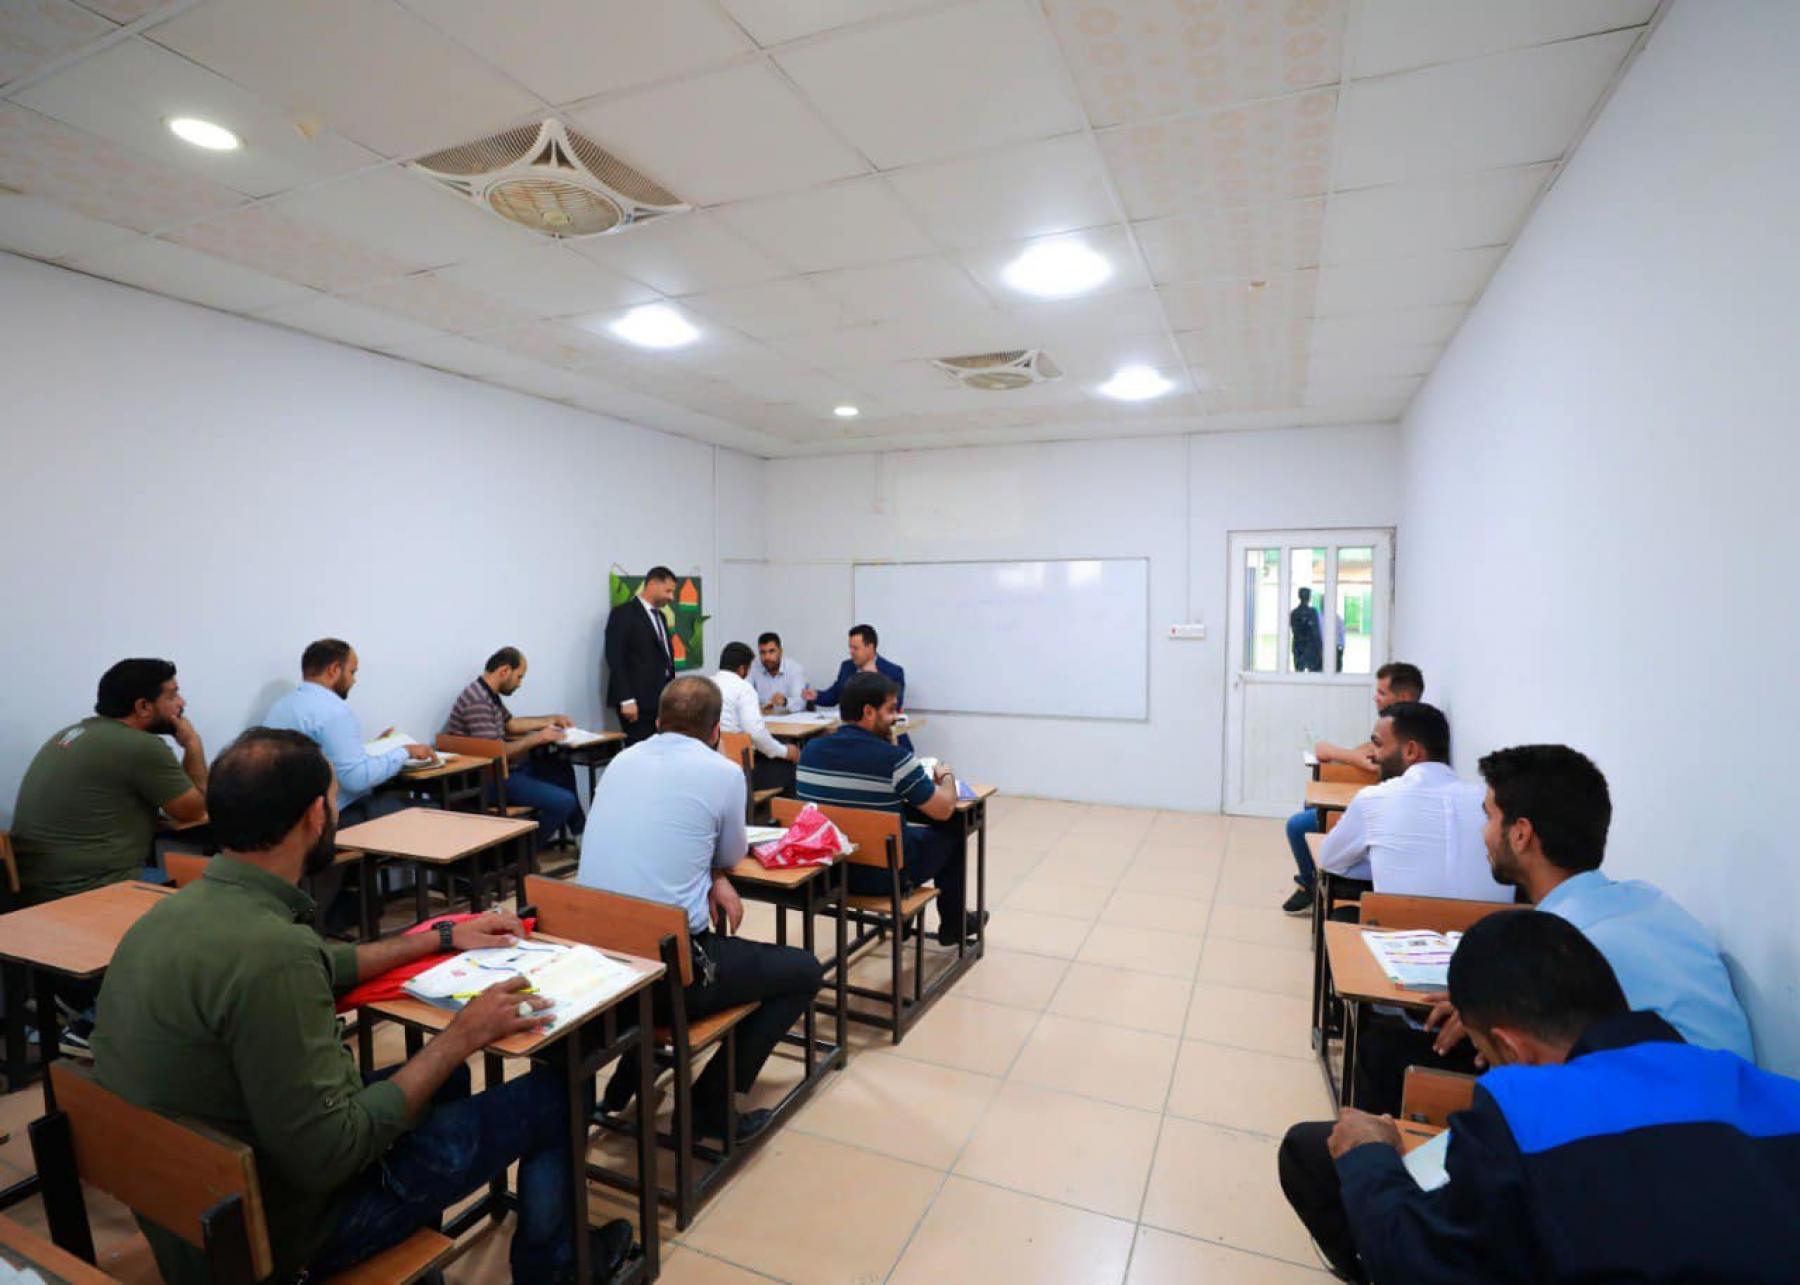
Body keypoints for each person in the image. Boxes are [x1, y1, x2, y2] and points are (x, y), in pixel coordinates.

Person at [92, 729, 634, 1284]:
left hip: (201, 1211)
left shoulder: (177, 914)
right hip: (288, 1237)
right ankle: (558, 1271)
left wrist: (443, 936)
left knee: (444, 1082)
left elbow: (327, 964)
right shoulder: (275, 955)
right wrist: (462, 1035)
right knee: (554, 1093)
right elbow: (334, 1151)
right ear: (315, 817)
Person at [1279, 910, 1800, 1284]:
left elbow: (1418, 1261)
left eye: (1485, 1052)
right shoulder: (1770, 1089)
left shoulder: (1523, 1109)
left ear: (1511, 1048)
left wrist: (1367, 1152)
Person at [1350, 740, 1754, 1117]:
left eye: (1489, 817)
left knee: (1383, 1053)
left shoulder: (1561, 946)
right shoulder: (1645, 900)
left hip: (1661, 1121)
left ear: (1521, 834)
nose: (1483, 833)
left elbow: (1536, 1055)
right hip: (1740, 1107)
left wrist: (1483, 1017)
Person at [577, 676, 823, 1143]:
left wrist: (709, 875)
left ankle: (633, 1074)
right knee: (803, 971)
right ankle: (708, 1110)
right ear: (715, 731)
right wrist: (717, 873)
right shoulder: (723, 772)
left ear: (657, 721)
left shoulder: (622, 760)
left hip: (597, 964)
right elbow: (731, 854)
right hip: (666, 974)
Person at [795, 672, 983, 945]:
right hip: (882, 877)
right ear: (868, 712)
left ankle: (905, 922)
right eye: (891, 709)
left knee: (897, 830)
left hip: (827, 872)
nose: (897, 717)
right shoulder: (894, 760)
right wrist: (946, 776)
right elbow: (943, 809)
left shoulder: (810, 751)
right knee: (954, 827)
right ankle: (953, 924)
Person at [10, 658, 207, 908]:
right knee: (208, 888)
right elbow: (195, 811)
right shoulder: (140, 746)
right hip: (87, 889)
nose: (182, 703)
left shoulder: (71, 734)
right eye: (173, 695)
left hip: (29, 892)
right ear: (143, 706)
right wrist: (192, 744)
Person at [1315, 702, 1505, 901]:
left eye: (1378, 744)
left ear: (1411, 751)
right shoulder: (1489, 798)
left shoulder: (1373, 799)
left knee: (1346, 912)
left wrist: (1385, 863)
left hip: (1402, 920)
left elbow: (1329, 859)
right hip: (1490, 920)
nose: (1373, 754)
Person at [1281, 662, 1424, 915]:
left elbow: (1369, 762)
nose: (1375, 698)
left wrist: (1342, 755)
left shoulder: (1410, 733)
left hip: (1388, 814)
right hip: (1380, 802)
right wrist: (1352, 757)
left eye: (1381, 692)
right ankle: (1312, 877)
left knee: (1298, 825)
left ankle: (1311, 885)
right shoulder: (1397, 725)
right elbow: (1362, 753)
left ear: (1402, 697)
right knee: (1311, 806)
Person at [263, 638, 430, 818]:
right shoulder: (334, 711)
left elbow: (328, 756)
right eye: (352, 672)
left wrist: (375, 747)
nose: (354, 680)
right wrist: (405, 752)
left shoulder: (283, 705)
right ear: (335, 669)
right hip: (332, 817)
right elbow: (356, 779)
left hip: (288, 817)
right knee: (430, 809)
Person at [444, 646, 584, 846]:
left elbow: (511, 725)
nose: (519, 684)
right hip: (488, 780)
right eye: (519, 677)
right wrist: (537, 738)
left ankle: (581, 836)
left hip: (505, 771)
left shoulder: (488, 693)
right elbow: (495, 753)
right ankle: (522, 853)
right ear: (504, 671)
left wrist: (551, 719)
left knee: (561, 769)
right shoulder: (478, 701)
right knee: (564, 802)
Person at [712, 641, 799, 793]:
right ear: (742, 668)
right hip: (739, 771)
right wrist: (786, 752)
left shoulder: (706, 684)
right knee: (791, 769)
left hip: (713, 767)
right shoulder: (743, 688)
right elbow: (756, 734)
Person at [604, 566, 678, 746]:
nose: (671, 597)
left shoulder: (661, 616)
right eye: (668, 591)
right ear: (652, 584)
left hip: (661, 701)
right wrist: (626, 699)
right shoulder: (624, 614)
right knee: (642, 751)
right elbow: (615, 658)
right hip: (637, 703)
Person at [805, 624, 910, 750]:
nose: (851, 652)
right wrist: (817, 696)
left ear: (870, 647)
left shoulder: (893, 671)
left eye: (855, 648)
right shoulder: (847, 667)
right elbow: (835, 695)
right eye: (850, 647)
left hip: (881, 732)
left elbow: (895, 705)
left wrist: (876, 677)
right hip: (850, 730)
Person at [751, 631, 807, 715]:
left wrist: (785, 701)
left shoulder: (794, 669)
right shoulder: (753, 668)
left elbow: (801, 703)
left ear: (781, 651)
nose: (767, 657)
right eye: (763, 652)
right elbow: (744, 696)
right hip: (762, 719)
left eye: (771, 651)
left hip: (789, 719)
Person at [1290, 587, 1323, 673]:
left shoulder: (1294, 613)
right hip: (1310, 648)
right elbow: (1316, 632)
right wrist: (1320, 648)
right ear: (1309, 597)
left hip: (1298, 647)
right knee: (1313, 675)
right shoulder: (1312, 612)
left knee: (1299, 673)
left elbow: (1294, 629)